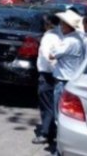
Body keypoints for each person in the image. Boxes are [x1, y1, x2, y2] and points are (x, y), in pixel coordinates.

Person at [49, 10, 85, 114]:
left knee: (59, 112)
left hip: (64, 80)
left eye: (62, 24)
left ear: (68, 26)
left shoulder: (69, 41)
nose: (60, 26)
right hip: (70, 78)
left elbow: (51, 55)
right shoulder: (77, 37)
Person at [33, 14, 61, 146]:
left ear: (48, 24)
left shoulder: (48, 37)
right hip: (56, 74)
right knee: (52, 104)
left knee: (46, 105)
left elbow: (47, 56)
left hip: (47, 74)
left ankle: (45, 133)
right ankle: (51, 130)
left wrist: (52, 70)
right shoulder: (60, 34)